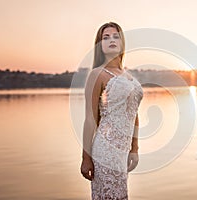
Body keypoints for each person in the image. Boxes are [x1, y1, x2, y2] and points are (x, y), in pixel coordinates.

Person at [80, 22, 143, 199]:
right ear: (100, 45)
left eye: (115, 36)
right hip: (105, 151)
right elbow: (90, 119)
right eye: (105, 38)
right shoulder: (97, 74)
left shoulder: (127, 75)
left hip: (122, 153)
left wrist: (135, 148)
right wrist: (86, 158)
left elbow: (134, 114)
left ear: (122, 42)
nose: (111, 40)